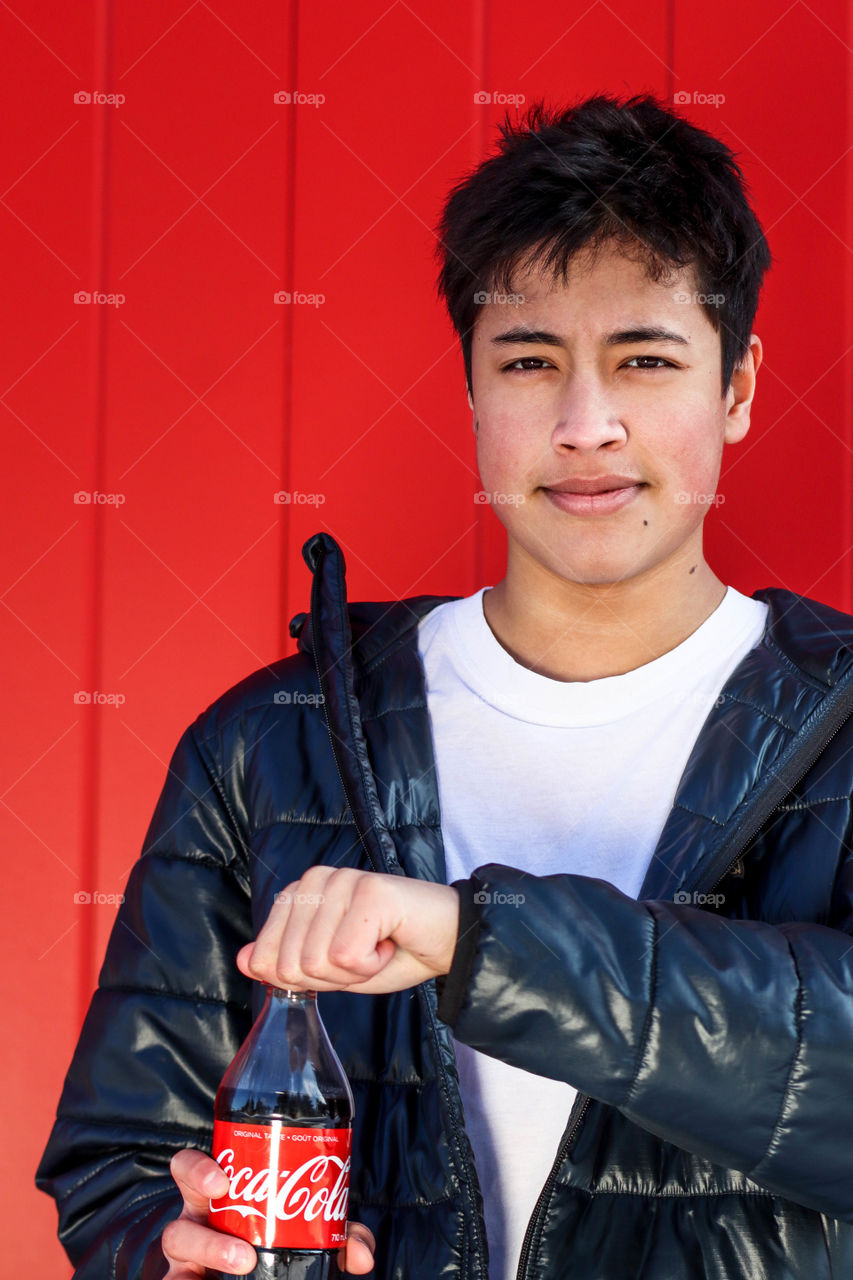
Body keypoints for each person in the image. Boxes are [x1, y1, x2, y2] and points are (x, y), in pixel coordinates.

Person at [36, 90, 853, 1279]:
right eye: (529, 360)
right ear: (471, 389)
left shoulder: (840, 728)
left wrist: (480, 942)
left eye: (644, 359)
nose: (586, 424)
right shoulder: (270, 743)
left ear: (735, 385)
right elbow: (120, 1158)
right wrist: (165, 1250)